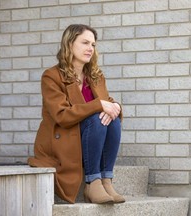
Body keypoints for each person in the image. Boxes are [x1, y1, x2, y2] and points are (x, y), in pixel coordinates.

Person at [28, 24, 125, 204]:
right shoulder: (51, 76)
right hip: (64, 138)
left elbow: (106, 102)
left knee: (112, 120)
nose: (90, 48)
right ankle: (92, 181)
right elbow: (62, 115)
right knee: (97, 117)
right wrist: (99, 106)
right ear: (70, 44)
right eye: (85, 43)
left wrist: (115, 107)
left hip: (89, 136)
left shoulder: (95, 76)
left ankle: (106, 179)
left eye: (93, 45)